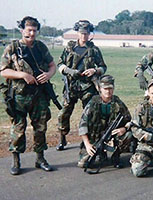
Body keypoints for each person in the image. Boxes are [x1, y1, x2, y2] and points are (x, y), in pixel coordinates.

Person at [0, 16, 56, 175]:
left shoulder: (40, 47)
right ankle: (16, 160)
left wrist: (48, 75)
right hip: (19, 96)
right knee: (18, 128)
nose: (31, 33)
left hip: (39, 95)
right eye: (29, 30)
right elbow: (3, 70)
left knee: (40, 128)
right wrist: (22, 75)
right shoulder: (12, 48)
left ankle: (40, 158)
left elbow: (52, 65)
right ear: (22, 30)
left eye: (34, 30)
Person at [57, 20, 107, 151]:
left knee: (89, 113)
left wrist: (94, 71)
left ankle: (87, 139)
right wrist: (69, 71)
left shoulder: (94, 50)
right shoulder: (69, 48)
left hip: (88, 86)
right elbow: (59, 65)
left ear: (90, 34)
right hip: (71, 85)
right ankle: (62, 137)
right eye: (81, 33)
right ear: (77, 33)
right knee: (64, 113)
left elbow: (103, 67)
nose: (84, 36)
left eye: (86, 33)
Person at [78, 75, 135, 169]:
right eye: (105, 88)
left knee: (128, 135)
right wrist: (87, 144)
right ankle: (101, 154)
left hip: (112, 137)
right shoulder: (93, 103)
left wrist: (124, 128)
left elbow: (129, 120)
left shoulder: (118, 103)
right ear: (100, 89)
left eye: (110, 88)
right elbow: (82, 124)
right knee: (84, 163)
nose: (108, 91)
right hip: (95, 138)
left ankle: (116, 156)